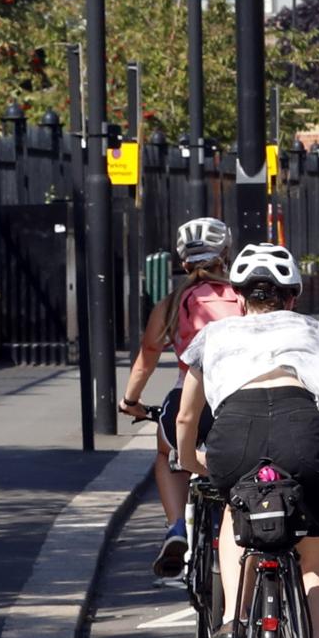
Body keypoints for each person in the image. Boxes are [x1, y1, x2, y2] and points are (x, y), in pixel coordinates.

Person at [175, 242, 319, 638]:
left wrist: (193, 462)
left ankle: (233, 617)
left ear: (239, 295)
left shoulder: (213, 335)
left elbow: (187, 418)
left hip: (236, 433)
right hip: (301, 430)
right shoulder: (313, 330)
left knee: (237, 513)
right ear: (291, 296)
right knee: (315, 567)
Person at [120, 217, 247, 577]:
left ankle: (176, 525)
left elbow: (147, 356)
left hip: (188, 406)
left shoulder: (173, 303)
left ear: (182, 260)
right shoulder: (243, 296)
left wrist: (131, 400)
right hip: (237, 403)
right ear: (226, 253)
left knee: (167, 453)